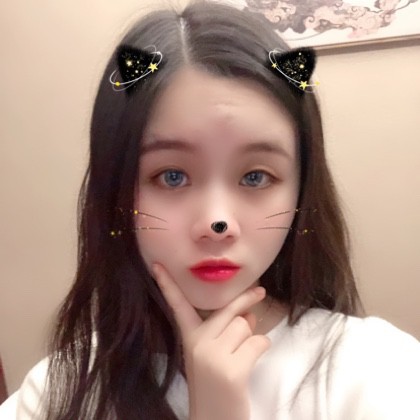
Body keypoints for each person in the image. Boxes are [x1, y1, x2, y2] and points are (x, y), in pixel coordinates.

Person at [1, 1, 419, 419]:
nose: (217, 223)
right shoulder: (59, 388)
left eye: (255, 177)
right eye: (172, 177)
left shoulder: (378, 371)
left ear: (301, 191)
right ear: (117, 191)